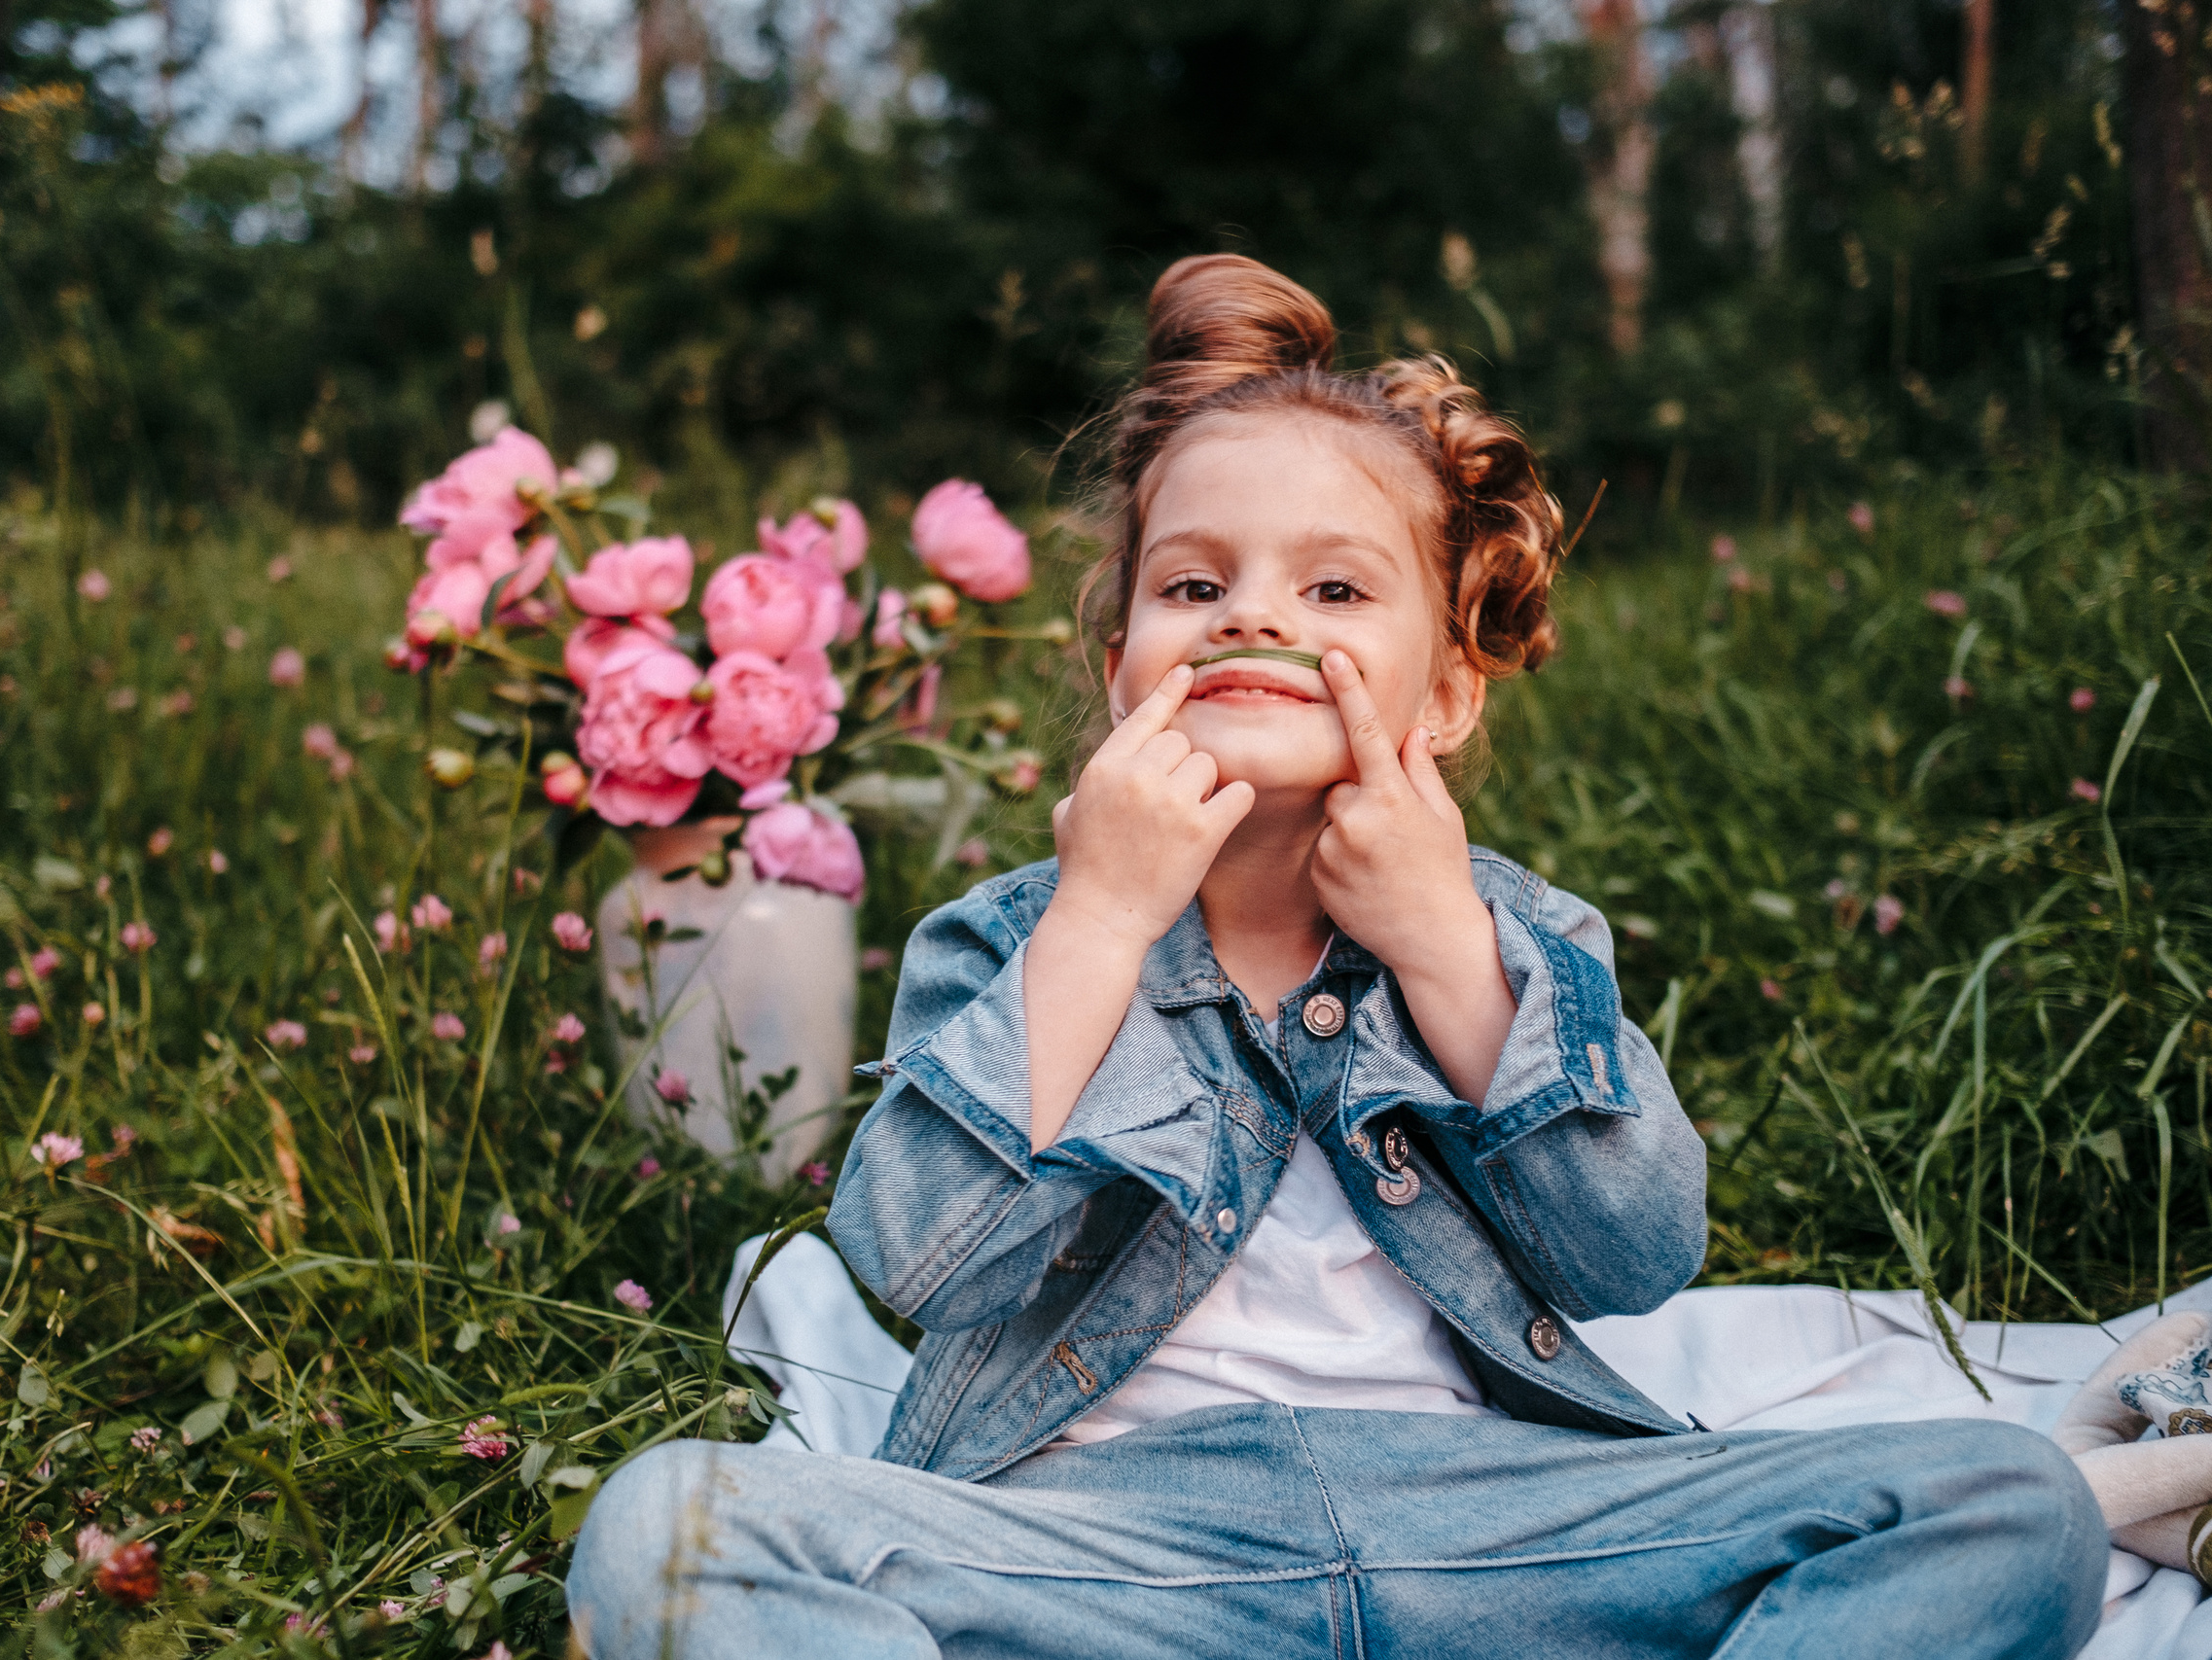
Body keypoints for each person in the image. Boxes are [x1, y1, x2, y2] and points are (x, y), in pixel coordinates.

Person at [565, 254, 2106, 1659]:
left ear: (1444, 692)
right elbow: (914, 1261)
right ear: (1121, 678)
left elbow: (1637, 1255)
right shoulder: (1018, 934)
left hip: (1496, 1528)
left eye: (1335, 588)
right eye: (1193, 584)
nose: (1253, 618)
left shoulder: (1518, 937)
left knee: (2007, 1502)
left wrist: (1444, 949)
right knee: (671, 1527)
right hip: (1108, 1546)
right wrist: (1100, 923)